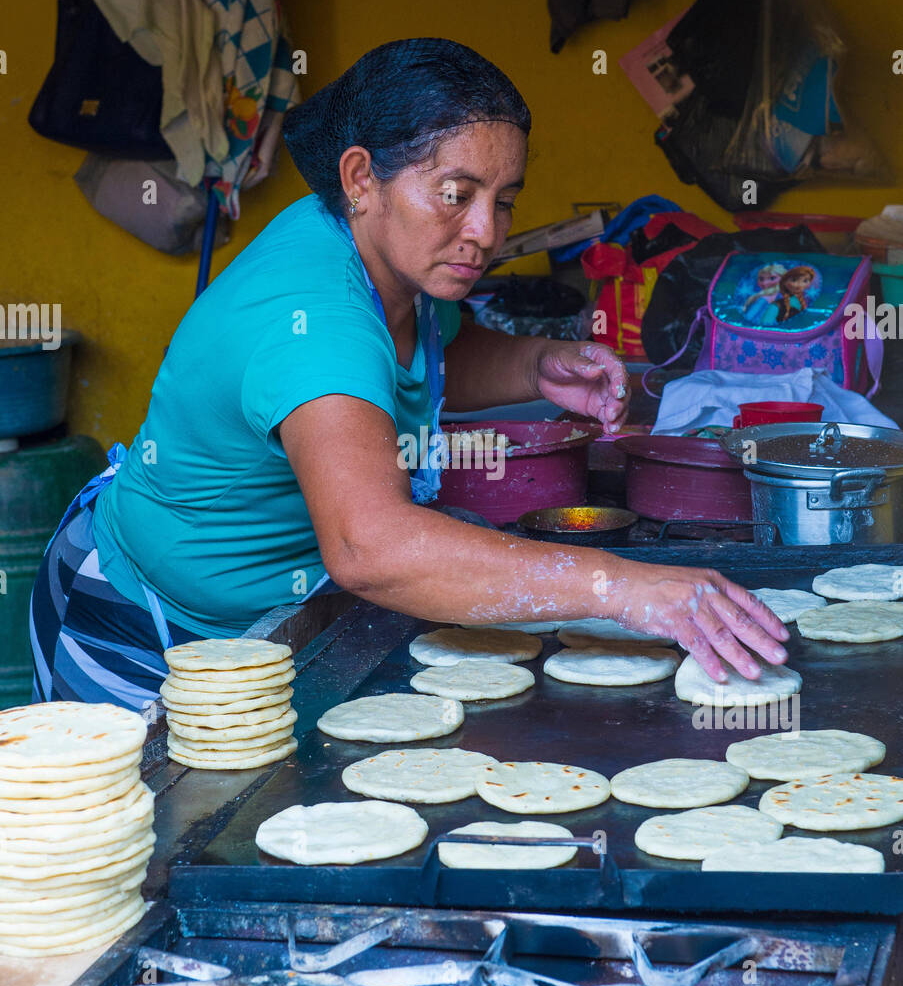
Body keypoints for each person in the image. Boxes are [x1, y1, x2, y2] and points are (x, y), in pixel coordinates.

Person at [30, 38, 788, 710]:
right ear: (361, 176)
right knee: (140, 848)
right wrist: (617, 586)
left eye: (504, 199)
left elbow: (414, 358)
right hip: (149, 628)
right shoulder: (315, 319)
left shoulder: (377, 247)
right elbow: (372, 546)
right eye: (457, 195)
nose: (486, 233)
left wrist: (533, 364)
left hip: (275, 622)